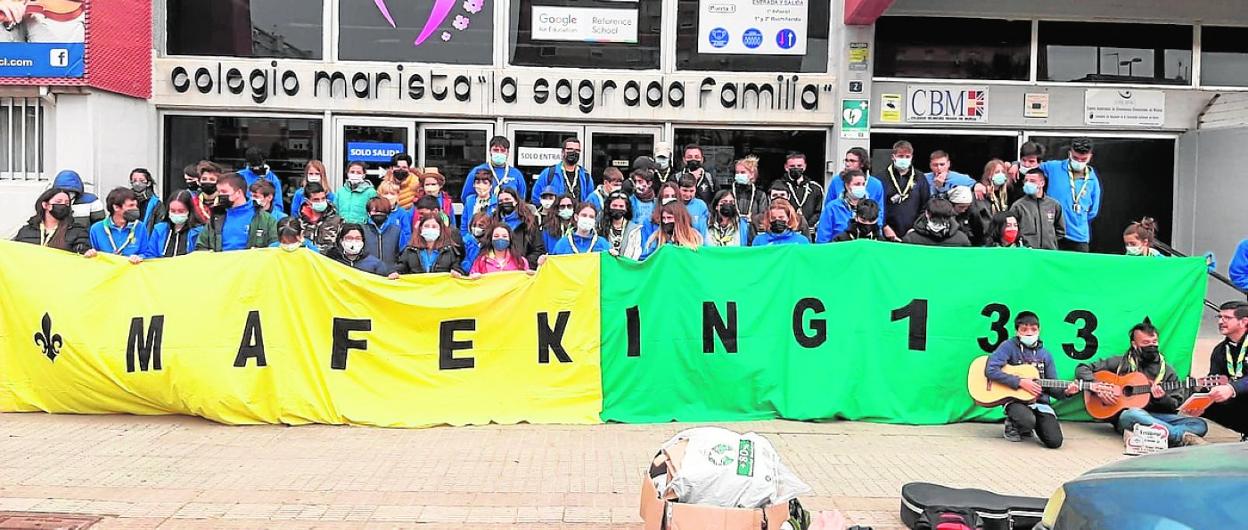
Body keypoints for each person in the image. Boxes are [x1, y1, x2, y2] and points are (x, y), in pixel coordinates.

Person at [1076, 322, 1208, 447]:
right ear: (1134, 344)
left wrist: (1161, 398)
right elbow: (1082, 368)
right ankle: (1179, 436)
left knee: (1200, 424)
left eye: (1154, 342)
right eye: (1146, 343)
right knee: (1132, 414)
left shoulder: (1167, 371)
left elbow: (1174, 405)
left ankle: (1153, 434)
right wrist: (1097, 387)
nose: (1151, 346)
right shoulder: (1121, 363)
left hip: (1157, 416)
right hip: (1127, 416)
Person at [985, 311, 1081, 448]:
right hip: (1015, 400)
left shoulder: (1046, 354)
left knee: (1055, 442)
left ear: (1039, 330)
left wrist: (1067, 392)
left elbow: (1053, 386)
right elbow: (991, 370)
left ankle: (1031, 425)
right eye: (1024, 329)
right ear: (1017, 331)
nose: (1029, 333)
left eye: (1033, 329)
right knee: (1027, 420)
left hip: (1040, 403)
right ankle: (1014, 425)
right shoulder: (1008, 346)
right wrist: (1020, 382)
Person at [1040, 138, 1101, 252]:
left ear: (1090, 157)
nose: (1079, 161)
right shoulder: (1054, 167)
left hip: (1079, 236)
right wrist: (1014, 164)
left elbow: (1093, 211)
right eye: (1075, 158)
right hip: (1053, 233)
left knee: (1078, 269)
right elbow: (1030, 167)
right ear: (1069, 154)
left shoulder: (1092, 179)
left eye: (1083, 159)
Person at [195, 173, 279, 252]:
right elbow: (201, 246)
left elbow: (275, 246)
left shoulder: (266, 219)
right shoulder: (216, 217)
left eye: (224, 192)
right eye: (219, 192)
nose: (220, 195)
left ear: (238, 193)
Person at [1202, 302, 1248, 440]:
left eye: (1227, 318)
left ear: (1244, 321)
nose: (1221, 321)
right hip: (1240, 400)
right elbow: (1213, 379)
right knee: (1208, 406)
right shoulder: (1220, 350)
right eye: (1219, 317)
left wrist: (1231, 388)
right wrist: (1199, 401)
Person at [879, 141, 931, 242]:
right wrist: (885, 227)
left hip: (914, 233)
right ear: (893, 157)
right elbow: (877, 206)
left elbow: (926, 206)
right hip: (886, 234)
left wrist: (916, 228)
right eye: (900, 156)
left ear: (912, 157)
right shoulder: (881, 178)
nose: (904, 159)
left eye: (907, 156)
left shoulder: (920, 177)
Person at [13, 188, 91, 254]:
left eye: (67, 203)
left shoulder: (77, 231)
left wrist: (86, 253)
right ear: (46, 205)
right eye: (58, 202)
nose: (63, 205)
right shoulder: (26, 231)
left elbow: (82, 251)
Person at [1007, 169, 1065, 250]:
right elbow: (1011, 229)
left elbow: (1060, 231)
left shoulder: (1054, 204)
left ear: (1042, 183)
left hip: (1049, 252)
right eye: (1026, 180)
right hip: (1027, 252)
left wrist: (1051, 241)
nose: (1028, 183)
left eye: (1032, 181)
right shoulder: (1018, 206)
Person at [392, 214, 466, 277]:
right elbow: (401, 268)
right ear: (420, 228)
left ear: (440, 230)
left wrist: (457, 272)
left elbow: (457, 268)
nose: (430, 229)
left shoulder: (450, 251)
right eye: (426, 226)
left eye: (434, 226)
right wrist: (395, 273)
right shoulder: (410, 250)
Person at [826, 148, 885, 225]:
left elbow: (880, 212)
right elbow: (828, 206)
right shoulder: (837, 180)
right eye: (846, 160)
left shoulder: (875, 184)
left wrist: (876, 231)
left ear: (862, 163)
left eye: (852, 161)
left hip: (866, 229)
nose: (848, 164)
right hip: (840, 230)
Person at [88, 187, 149, 262]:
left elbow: (146, 253)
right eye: (131, 205)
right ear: (116, 207)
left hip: (132, 271)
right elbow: (93, 256)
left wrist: (139, 257)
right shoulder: (97, 229)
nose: (135, 209)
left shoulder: (140, 227)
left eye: (136, 205)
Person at [462, 136, 527, 203]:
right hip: (483, 212)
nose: (499, 153)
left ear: (507, 153)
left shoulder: (516, 174)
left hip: (508, 212)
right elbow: (466, 198)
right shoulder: (477, 171)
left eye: (503, 150)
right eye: (496, 150)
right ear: (490, 151)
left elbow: (521, 199)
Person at [494, 187, 546, 267]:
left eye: (507, 199)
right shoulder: (494, 222)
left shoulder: (529, 222)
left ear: (516, 201)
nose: (504, 202)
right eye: (501, 201)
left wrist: (523, 263)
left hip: (522, 270)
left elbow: (538, 249)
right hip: (498, 268)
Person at [532, 137, 593, 203]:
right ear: (562, 152)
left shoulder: (585, 176)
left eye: (577, 150)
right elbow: (536, 197)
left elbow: (589, 202)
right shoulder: (549, 173)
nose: (574, 152)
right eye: (570, 149)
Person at [143, 190, 203, 258]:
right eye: (172, 211)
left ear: (189, 210)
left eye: (181, 211)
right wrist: (140, 257)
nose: (176, 214)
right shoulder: (159, 229)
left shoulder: (198, 232)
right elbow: (150, 254)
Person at [816, 170, 869, 243]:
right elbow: (823, 238)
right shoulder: (833, 207)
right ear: (847, 185)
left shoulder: (870, 206)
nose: (861, 187)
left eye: (863, 184)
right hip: (838, 251)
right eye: (857, 184)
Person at [323, 223, 392, 277]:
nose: (353, 241)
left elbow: (384, 284)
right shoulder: (332, 261)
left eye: (358, 238)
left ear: (363, 241)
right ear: (341, 241)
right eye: (349, 238)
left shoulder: (375, 264)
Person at [781, 152, 824, 234]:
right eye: (792, 166)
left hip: (809, 232)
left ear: (805, 167)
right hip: (785, 231)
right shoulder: (778, 186)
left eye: (799, 166)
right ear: (786, 167)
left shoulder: (815, 188)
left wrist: (807, 226)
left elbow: (820, 211)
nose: (796, 168)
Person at [902, 197, 972, 247]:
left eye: (944, 217)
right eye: (936, 217)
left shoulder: (911, 238)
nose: (939, 221)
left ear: (927, 214)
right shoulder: (962, 239)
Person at [297, 182, 344, 253]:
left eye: (323, 198)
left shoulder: (337, 221)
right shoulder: (299, 222)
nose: (321, 202)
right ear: (307, 201)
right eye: (316, 199)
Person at [237, 147, 285, 213]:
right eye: (252, 165)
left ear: (264, 161)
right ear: (247, 163)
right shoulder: (239, 176)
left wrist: (268, 218)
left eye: (258, 164)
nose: (256, 168)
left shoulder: (273, 179)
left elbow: (278, 205)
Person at [362, 197, 402, 271]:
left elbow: (402, 254)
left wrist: (396, 270)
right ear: (368, 212)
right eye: (375, 211)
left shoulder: (397, 230)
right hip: (367, 274)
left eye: (381, 211)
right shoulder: (362, 229)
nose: (378, 214)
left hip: (391, 275)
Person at [600, 192, 644, 258]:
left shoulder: (635, 229)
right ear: (609, 206)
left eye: (621, 206)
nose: (618, 208)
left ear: (626, 208)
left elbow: (636, 252)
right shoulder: (600, 226)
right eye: (614, 205)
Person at [731, 155, 770, 222]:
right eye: (737, 172)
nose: (739, 175)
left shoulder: (759, 195)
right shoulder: (731, 193)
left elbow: (764, 214)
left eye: (743, 172)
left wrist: (753, 218)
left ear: (752, 174)